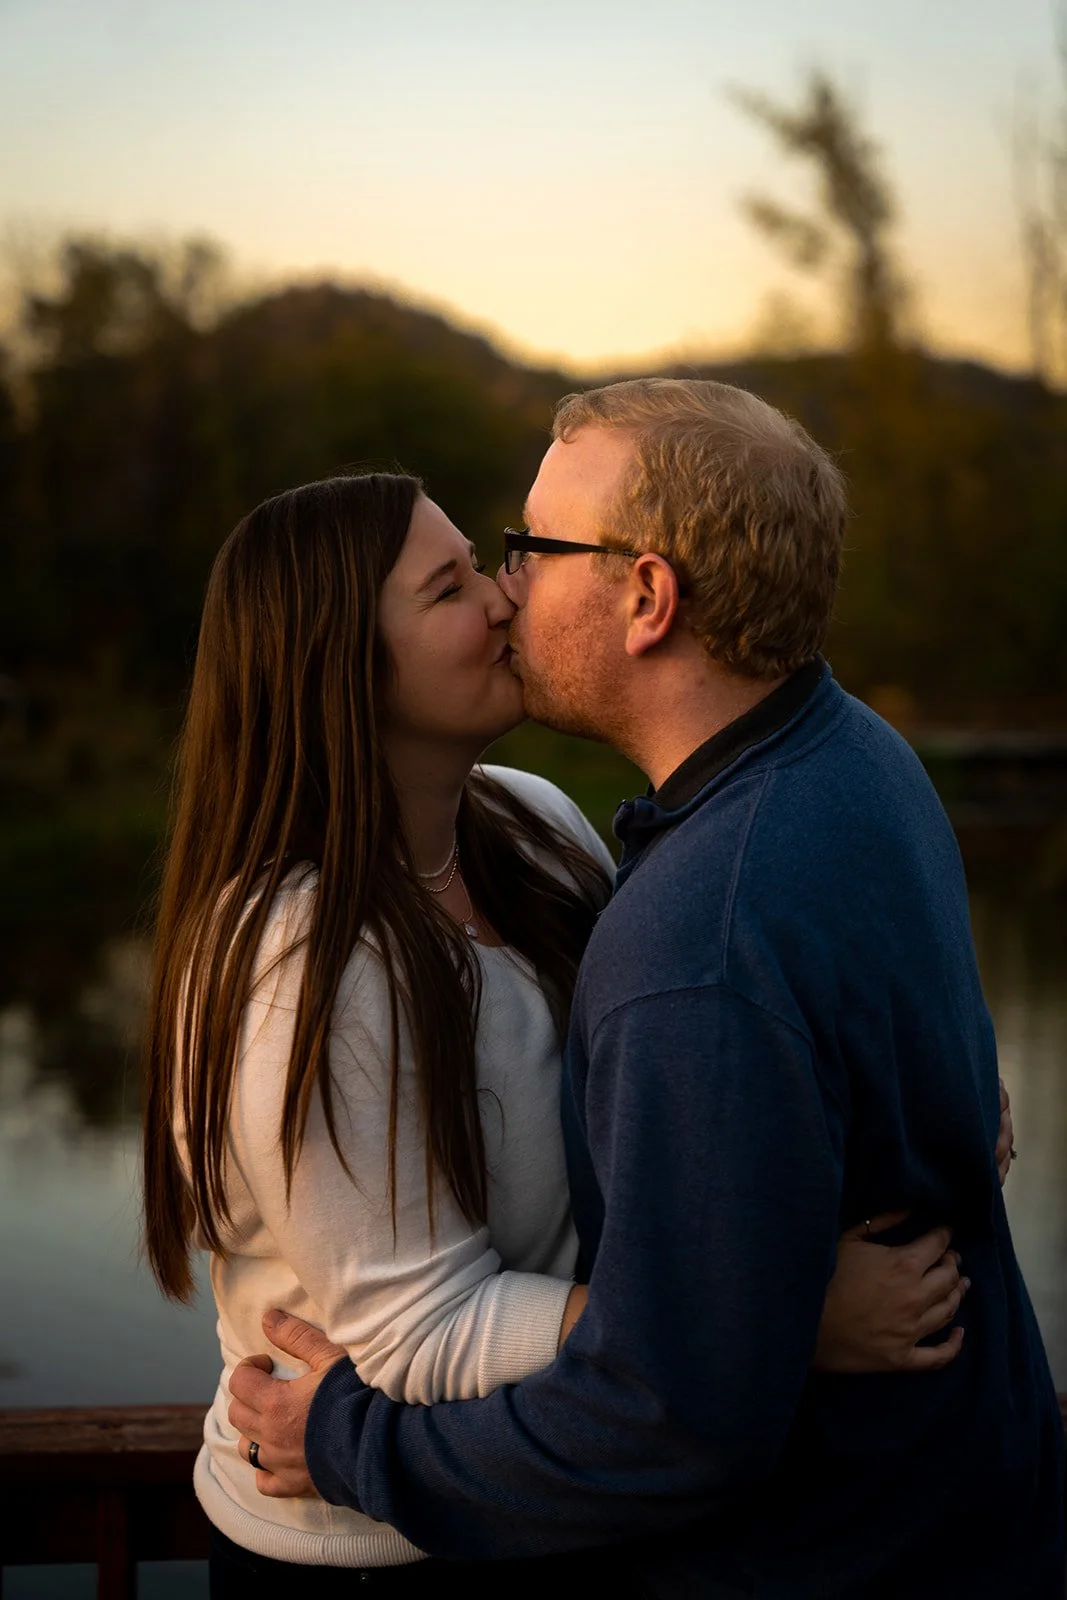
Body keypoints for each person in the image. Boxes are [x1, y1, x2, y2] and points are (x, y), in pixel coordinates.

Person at [228, 381, 1064, 1598]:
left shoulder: (682, 932)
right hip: (955, 1509)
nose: (509, 587)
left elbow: (672, 1416)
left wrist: (355, 1441)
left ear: (645, 597)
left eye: (526, 551)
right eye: (470, 568)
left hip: (846, 1548)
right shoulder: (852, 750)